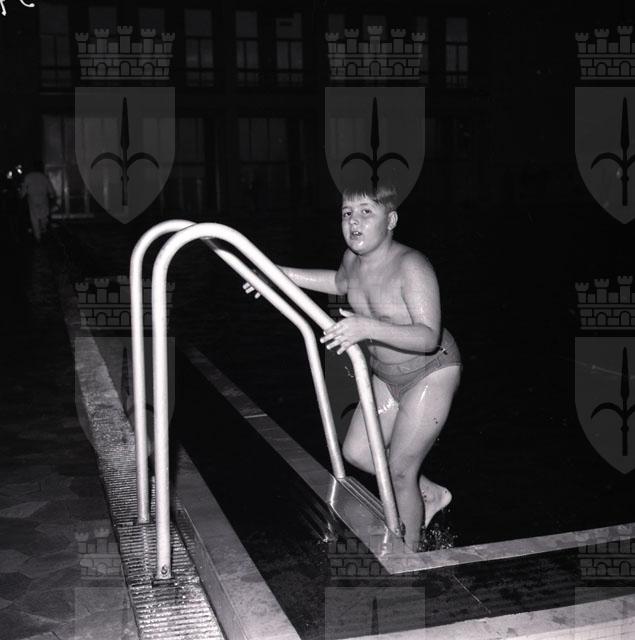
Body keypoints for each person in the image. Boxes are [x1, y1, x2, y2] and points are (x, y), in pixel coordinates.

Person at [243, 185, 462, 551]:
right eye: (347, 213)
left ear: (390, 220)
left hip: (431, 372)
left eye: (366, 212)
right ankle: (429, 493)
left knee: (400, 471)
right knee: (358, 452)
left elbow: (428, 336)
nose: (354, 221)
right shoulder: (352, 260)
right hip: (386, 375)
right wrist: (276, 274)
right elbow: (337, 282)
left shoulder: (411, 266)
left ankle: (410, 557)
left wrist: (366, 328)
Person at [19, 162, 57, 242]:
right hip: (43, 199)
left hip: (32, 199)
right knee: (44, 215)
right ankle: (43, 229)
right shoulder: (43, 177)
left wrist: (21, 195)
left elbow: (24, 190)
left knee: (34, 218)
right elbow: (50, 188)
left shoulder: (28, 177)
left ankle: (38, 237)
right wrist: (52, 195)